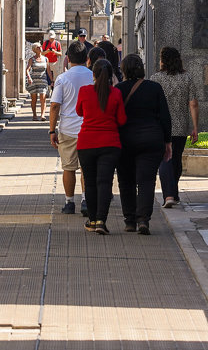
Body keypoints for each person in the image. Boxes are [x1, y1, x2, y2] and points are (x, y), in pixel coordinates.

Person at [115, 54, 171, 235]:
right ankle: (143, 220)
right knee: (146, 181)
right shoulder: (154, 88)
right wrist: (167, 142)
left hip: (125, 140)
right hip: (151, 139)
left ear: (123, 70)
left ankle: (129, 220)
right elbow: (165, 117)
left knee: (126, 181)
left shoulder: (119, 89)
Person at [75, 58, 126, 235]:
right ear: (111, 74)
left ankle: (93, 218)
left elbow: (79, 111)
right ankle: (101, 221)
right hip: (110, 143)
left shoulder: (84, 91)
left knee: (90, 183)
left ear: (93, 74)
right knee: (105, 182)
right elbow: (122, 120)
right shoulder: (116, 94)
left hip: (86, 142)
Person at [49, 42, 93, 215]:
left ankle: (69, 202)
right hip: (88, 128)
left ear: (68, 59)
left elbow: (54, 106)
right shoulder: (92, 77)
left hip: (67, 129)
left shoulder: (62, 78)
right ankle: (85, 200)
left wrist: (52, 130)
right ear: (87, 59)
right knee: (86, 168)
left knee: (68, 167)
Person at [155, 46, 200, 208]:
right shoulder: (186, 78)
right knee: (176, 160)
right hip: (181, 127)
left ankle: (169, 195)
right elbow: (193, 104)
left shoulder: (156, 79)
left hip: (161, 127)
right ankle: (174, 193)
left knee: (165, 159)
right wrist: (195, 127)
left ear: (163, 61)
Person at [24, 42, 50, 120]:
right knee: (34, 99)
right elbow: (27, 69)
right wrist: (28, 77)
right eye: (38, 47)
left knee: (43, 97)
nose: (40, 47)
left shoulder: (45, 59)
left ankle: (42, 115)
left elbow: (48, 70)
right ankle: (34, 115)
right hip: (34, 81)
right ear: (35, 49)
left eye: (40, 46)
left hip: (43, 80)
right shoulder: (32, 59)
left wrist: (52, 81)